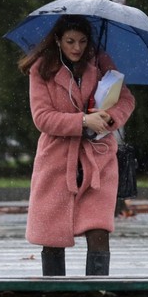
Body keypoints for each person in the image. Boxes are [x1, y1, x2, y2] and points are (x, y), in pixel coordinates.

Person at [18, 15, 135, 276]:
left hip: (98, 161)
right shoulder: (42, 68)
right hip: (57, 161)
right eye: (70, 41)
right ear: (58, 40)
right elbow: (42, 117)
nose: (77, 47)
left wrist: (109, 118)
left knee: (99, 232)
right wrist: (83, 120)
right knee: (52, 239)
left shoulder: (101, 62)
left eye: (82, 41)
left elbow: (126, 100)